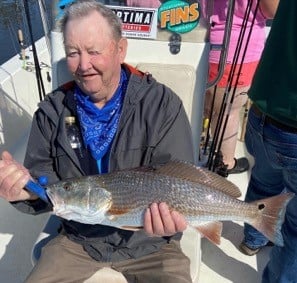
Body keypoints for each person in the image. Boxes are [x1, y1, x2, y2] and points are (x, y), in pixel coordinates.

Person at [0, 1, 195, 282]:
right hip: (79, 239)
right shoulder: (52, 111)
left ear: (120, 49)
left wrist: (169, 224)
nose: (83, 65)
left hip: (151, 245)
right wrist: (26, 190)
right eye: (73, 53)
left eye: (94, 51)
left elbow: (180, 177)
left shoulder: (162, 105)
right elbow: (46, 183)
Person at [238, 0, 297, 282]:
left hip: (262, 108)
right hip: (292, 126)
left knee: (264, 179)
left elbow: (272, 8)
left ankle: (253, 238)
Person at [203, 0, 279, 175]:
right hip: (240, 50)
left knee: (215, 108)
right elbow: (271, 11)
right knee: (229, 110)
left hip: (209, 40)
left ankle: (215, 155)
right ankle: (227, 163)